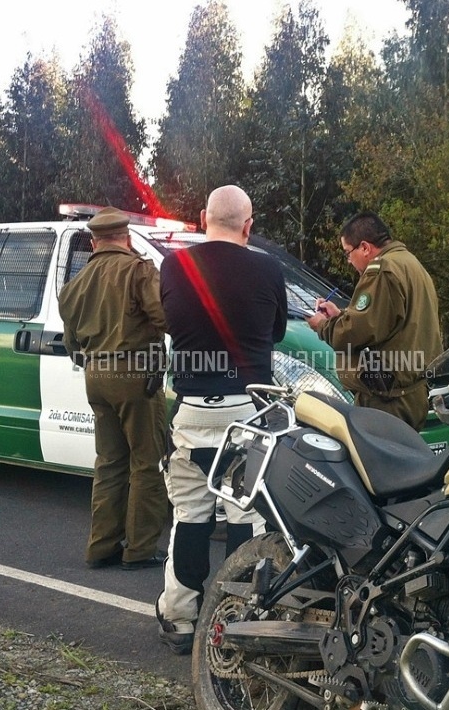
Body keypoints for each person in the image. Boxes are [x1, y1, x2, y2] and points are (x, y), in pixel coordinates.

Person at [155, 185, 288, 655]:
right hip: (248, 409)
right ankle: (241, 618)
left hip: (191, 411)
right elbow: (274, 333)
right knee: (244, 517)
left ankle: (178, 617)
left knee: (188, 516)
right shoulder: (269, 269)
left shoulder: (174, 266)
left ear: (202, 218)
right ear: (248, 225)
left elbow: (171, 325)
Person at [57, 207, 170, 571]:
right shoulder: (138, 271)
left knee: (109, 462)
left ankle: (101, 546)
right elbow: (165, 318)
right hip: (135, 377)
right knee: (146, 462)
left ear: (93, 242)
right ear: (127, 238)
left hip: (95, 377)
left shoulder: (74, 285)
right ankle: (139, 549)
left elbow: (73, 346)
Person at [306, 211, 442, 430]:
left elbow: (353, 333)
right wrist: (340, 315)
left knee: (374, 463)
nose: (349, 261)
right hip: (414, 392)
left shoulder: (382, 270)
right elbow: (390, 324)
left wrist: (322, 325)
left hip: (388, 400)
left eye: (348, 253)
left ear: (365, 247)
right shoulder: (410, 263)